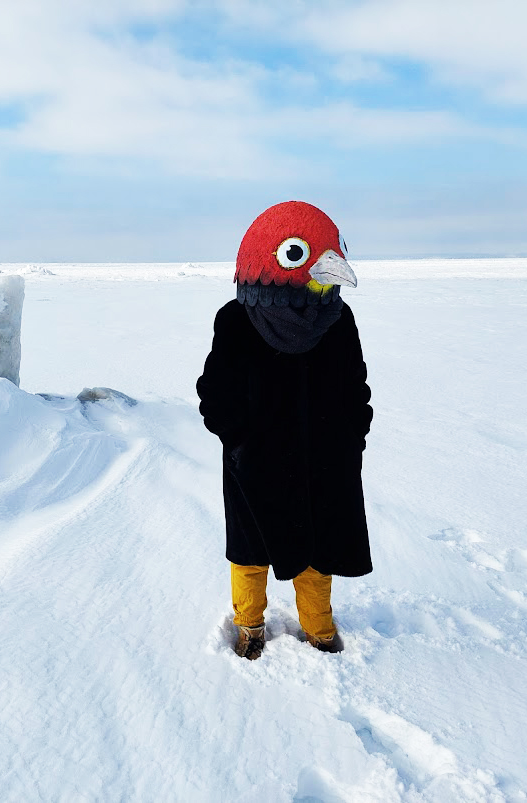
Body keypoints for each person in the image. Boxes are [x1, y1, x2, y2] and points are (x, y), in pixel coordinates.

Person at [196, 201, 373, 660]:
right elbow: (214, 392)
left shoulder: (338, 321)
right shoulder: (237, 321)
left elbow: (355, 386)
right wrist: (239, 440)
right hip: (256, 463)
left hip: (324, 460)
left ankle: (319, 628)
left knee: (317, 550)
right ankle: (249, 625)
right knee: (251, 551)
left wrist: (353, 435)